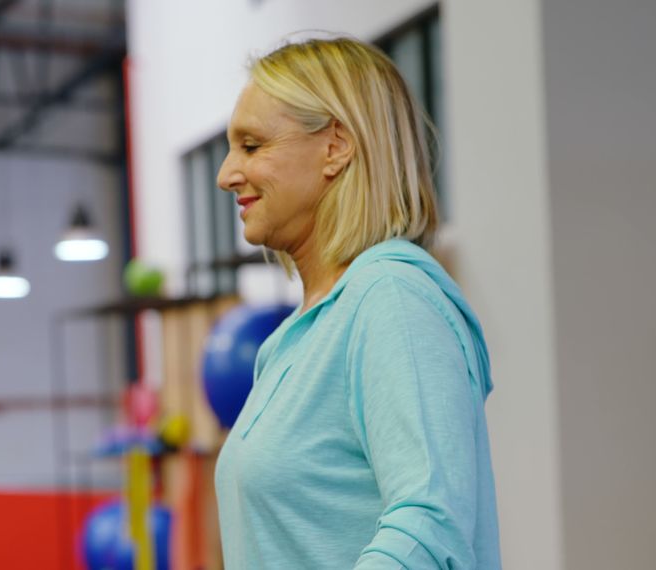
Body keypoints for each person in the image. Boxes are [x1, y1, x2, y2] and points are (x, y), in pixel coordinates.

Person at [213, 37, 501, 568]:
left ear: (336, 146)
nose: (226, 174)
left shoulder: (392, 300)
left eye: (251, 146)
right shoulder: (287, 344)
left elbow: (429, 528)